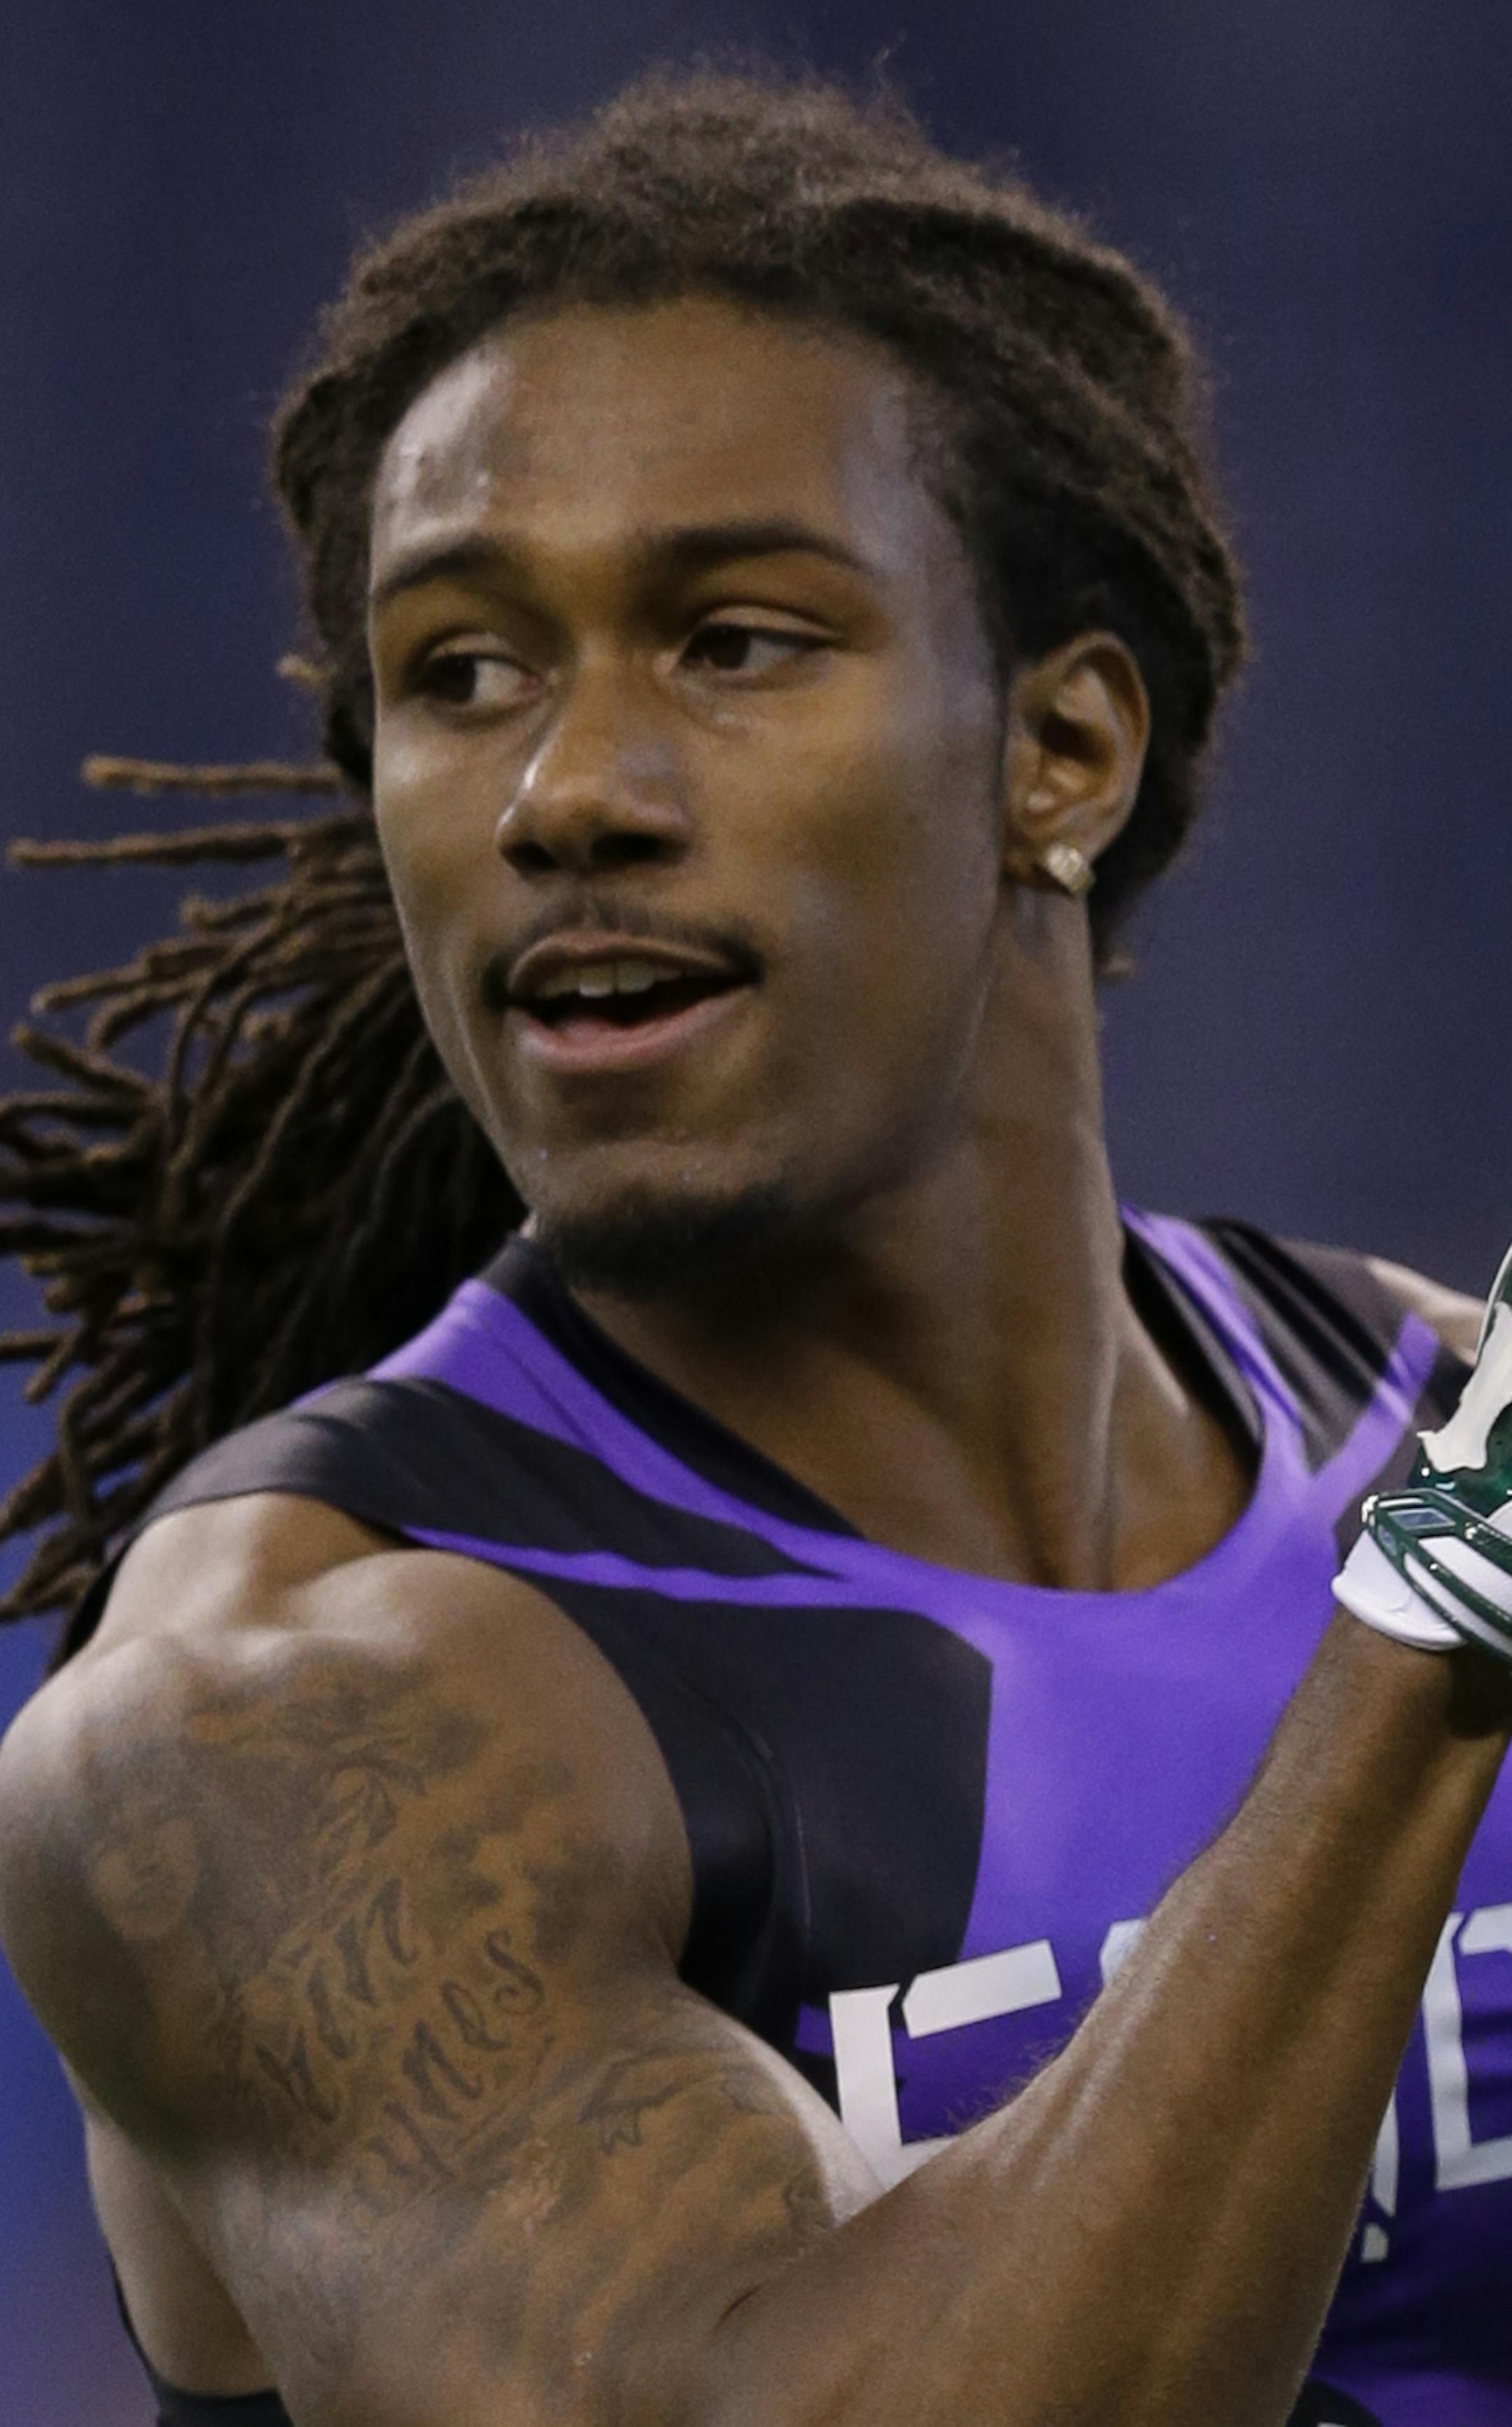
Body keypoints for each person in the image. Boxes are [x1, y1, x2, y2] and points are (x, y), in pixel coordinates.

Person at [0, 67, 1510, 2427]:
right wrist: (1438, 1628)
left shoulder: (1417, 1411)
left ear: (1064, 753)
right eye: (460, 671)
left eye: (733, 638)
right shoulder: (274, 1728)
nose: (564, 790)